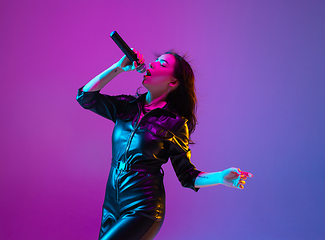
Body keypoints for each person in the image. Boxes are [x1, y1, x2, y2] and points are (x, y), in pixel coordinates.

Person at [76, 49, 253, 240]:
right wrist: (118, 68)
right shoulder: (126, 107)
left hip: (143, 207)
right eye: (155, 61)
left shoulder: (175, 123)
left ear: (173, 82)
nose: (152, 64)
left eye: (161, 64)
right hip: (112, 203)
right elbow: (86, 97)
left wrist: (220, 177)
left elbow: (187, 176)